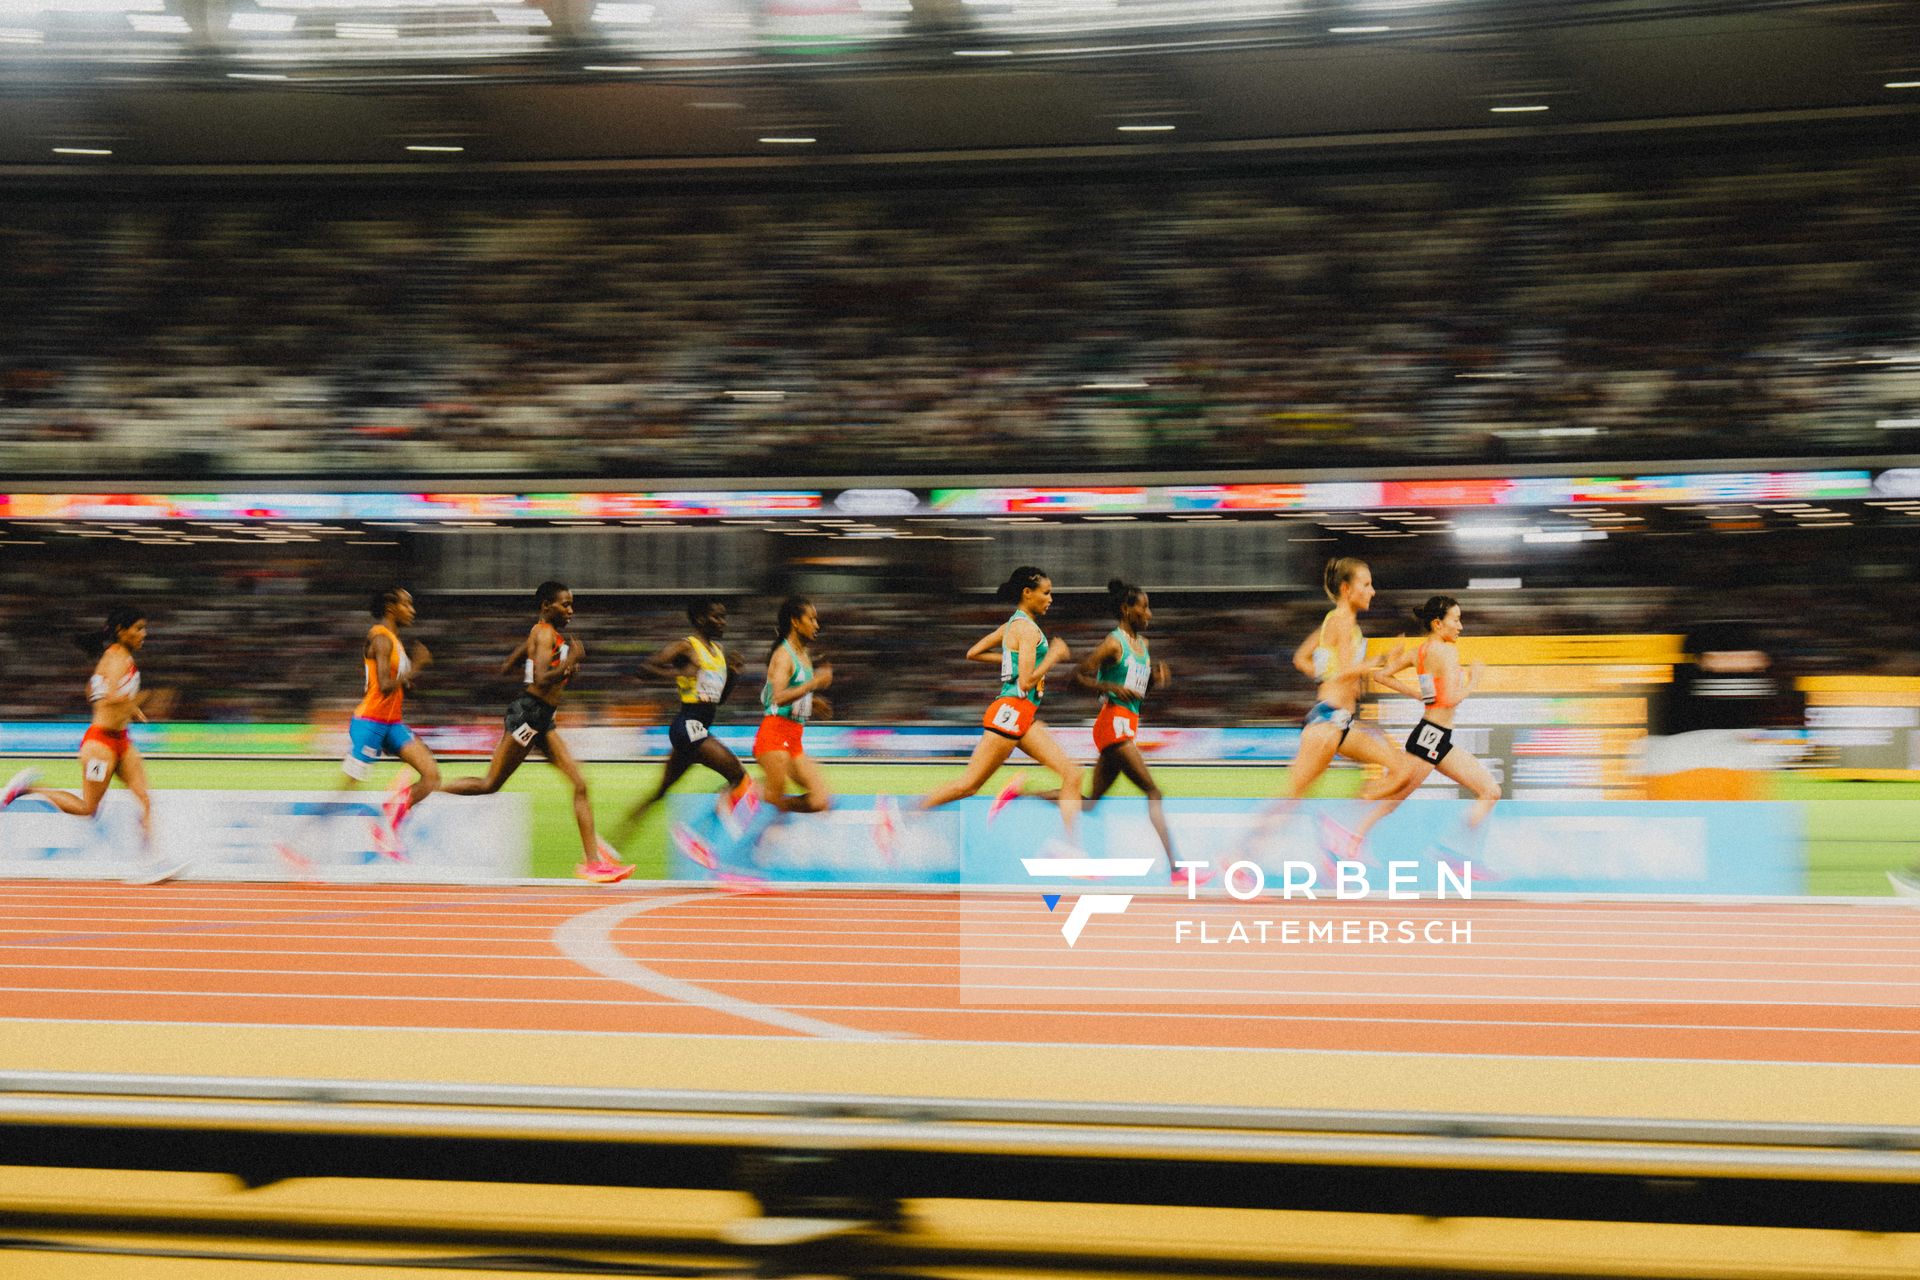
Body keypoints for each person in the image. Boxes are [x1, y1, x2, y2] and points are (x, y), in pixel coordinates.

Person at [440, 581, 632, 883]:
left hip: (543, 720)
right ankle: (426, 791)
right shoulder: (543, 633)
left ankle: (592, 863)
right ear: (546, 606)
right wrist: (568, 663)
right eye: (564, 604)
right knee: (490, 783)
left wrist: (551, 665)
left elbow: (509, 666)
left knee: (580, 783)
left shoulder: (543, 634)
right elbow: (541, 679)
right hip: (529, 717)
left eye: (571, 604)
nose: (571, 610)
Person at [880, 566, 1081, 852]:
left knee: (1072, 774)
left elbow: (973, 653)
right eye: (1046, 592)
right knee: (968, 785)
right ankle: (901, 814)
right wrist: (1053, 656)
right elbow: (1025, 681)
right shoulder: (1025, 628)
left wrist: (1010, 660)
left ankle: (1069, 848)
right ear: (1027, 593)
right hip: (1011, 712)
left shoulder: (1011, 625)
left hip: (1022, 715)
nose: (1050, 598)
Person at [1013, 578, 1193, 880]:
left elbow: (1135, 693)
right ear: (1126, 609)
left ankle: (1020, 794)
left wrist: (1153, 682)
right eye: (1144, 608)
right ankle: (1176, 869)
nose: (1149, 614)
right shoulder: (1113, 643)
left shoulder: (1143, 647)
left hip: (1126, 724)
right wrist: (1107, 685)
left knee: (1089, 803)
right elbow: (1076, 677)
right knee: (1153, 791)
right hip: (1112, 725)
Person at [1242, 558, 1416, 867]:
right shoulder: (1343, 620)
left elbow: (1301, 660)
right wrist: (1375, 662)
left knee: (1295, 796)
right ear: (1347, 589)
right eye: (1366, 584)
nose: (1373, 592)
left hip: (1334, 719)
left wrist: (1332, 673)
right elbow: (1345, 672)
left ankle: (1334, 831)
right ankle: (1240, 855)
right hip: (1331, 720)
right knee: (1400, 771)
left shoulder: (1333, 620)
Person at [1, 606, 183, 884]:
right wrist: (145, 699)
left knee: (144, 798)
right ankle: (27, 789)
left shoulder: (121, 657)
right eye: (138, 628)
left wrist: (131, 711)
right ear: (122, 631)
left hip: (122, 740)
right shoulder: (115, 658)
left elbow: (94, 692)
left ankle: (152, 861)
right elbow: (108, 697)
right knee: (88, 808)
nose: (143, 634)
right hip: (100, 745)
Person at [281, 588, 442, 872]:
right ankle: (295, 843)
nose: (412, 610)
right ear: (391, 607)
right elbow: (384, 684)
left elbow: (395, 684)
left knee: (430, 776)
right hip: (370, 725)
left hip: (391, 724)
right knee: (345, 791)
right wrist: (417, 666)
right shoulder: (380, 637)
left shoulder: (394, 641)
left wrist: (407, 678)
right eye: (407, 604)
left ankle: (387, 825)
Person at [1347, 596, 1501, 867]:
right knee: (1394, 797)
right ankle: (1349, 838)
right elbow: (1452, 699)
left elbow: (1381, 675)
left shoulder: (1420, 651)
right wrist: (1474, 680)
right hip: (1432, 736)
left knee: (1489, 790)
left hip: (1434, 735)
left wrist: (1417, 693)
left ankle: (1451, 850)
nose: (1460, 627)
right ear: (1438, 623)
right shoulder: (1446, 652)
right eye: (1456, 620)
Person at [614, 598, 753, 862]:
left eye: (724, 617)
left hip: (696, 726)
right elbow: (644, 669)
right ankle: (697, 834)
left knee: (659, 792)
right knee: (740, 778)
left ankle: (610, 847)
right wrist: (678, 675)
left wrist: (733, 674)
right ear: (701, 619)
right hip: (688, 725)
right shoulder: (686, 646)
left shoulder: (719, 651)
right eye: (717, 617)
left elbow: (718, 700)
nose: (723, 622)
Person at [754, 597, 835, 815]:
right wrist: (815, 683)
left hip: (794, 739)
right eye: (811, 619)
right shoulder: (783, 655)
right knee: (773, 795)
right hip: (774, 736)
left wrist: (813, 702)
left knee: (819, 800)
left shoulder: (803, 655)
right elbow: (777, 698)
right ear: (795, 622)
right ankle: (738, 791)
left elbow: (796, 690)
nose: (816, 625)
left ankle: (753, 794)